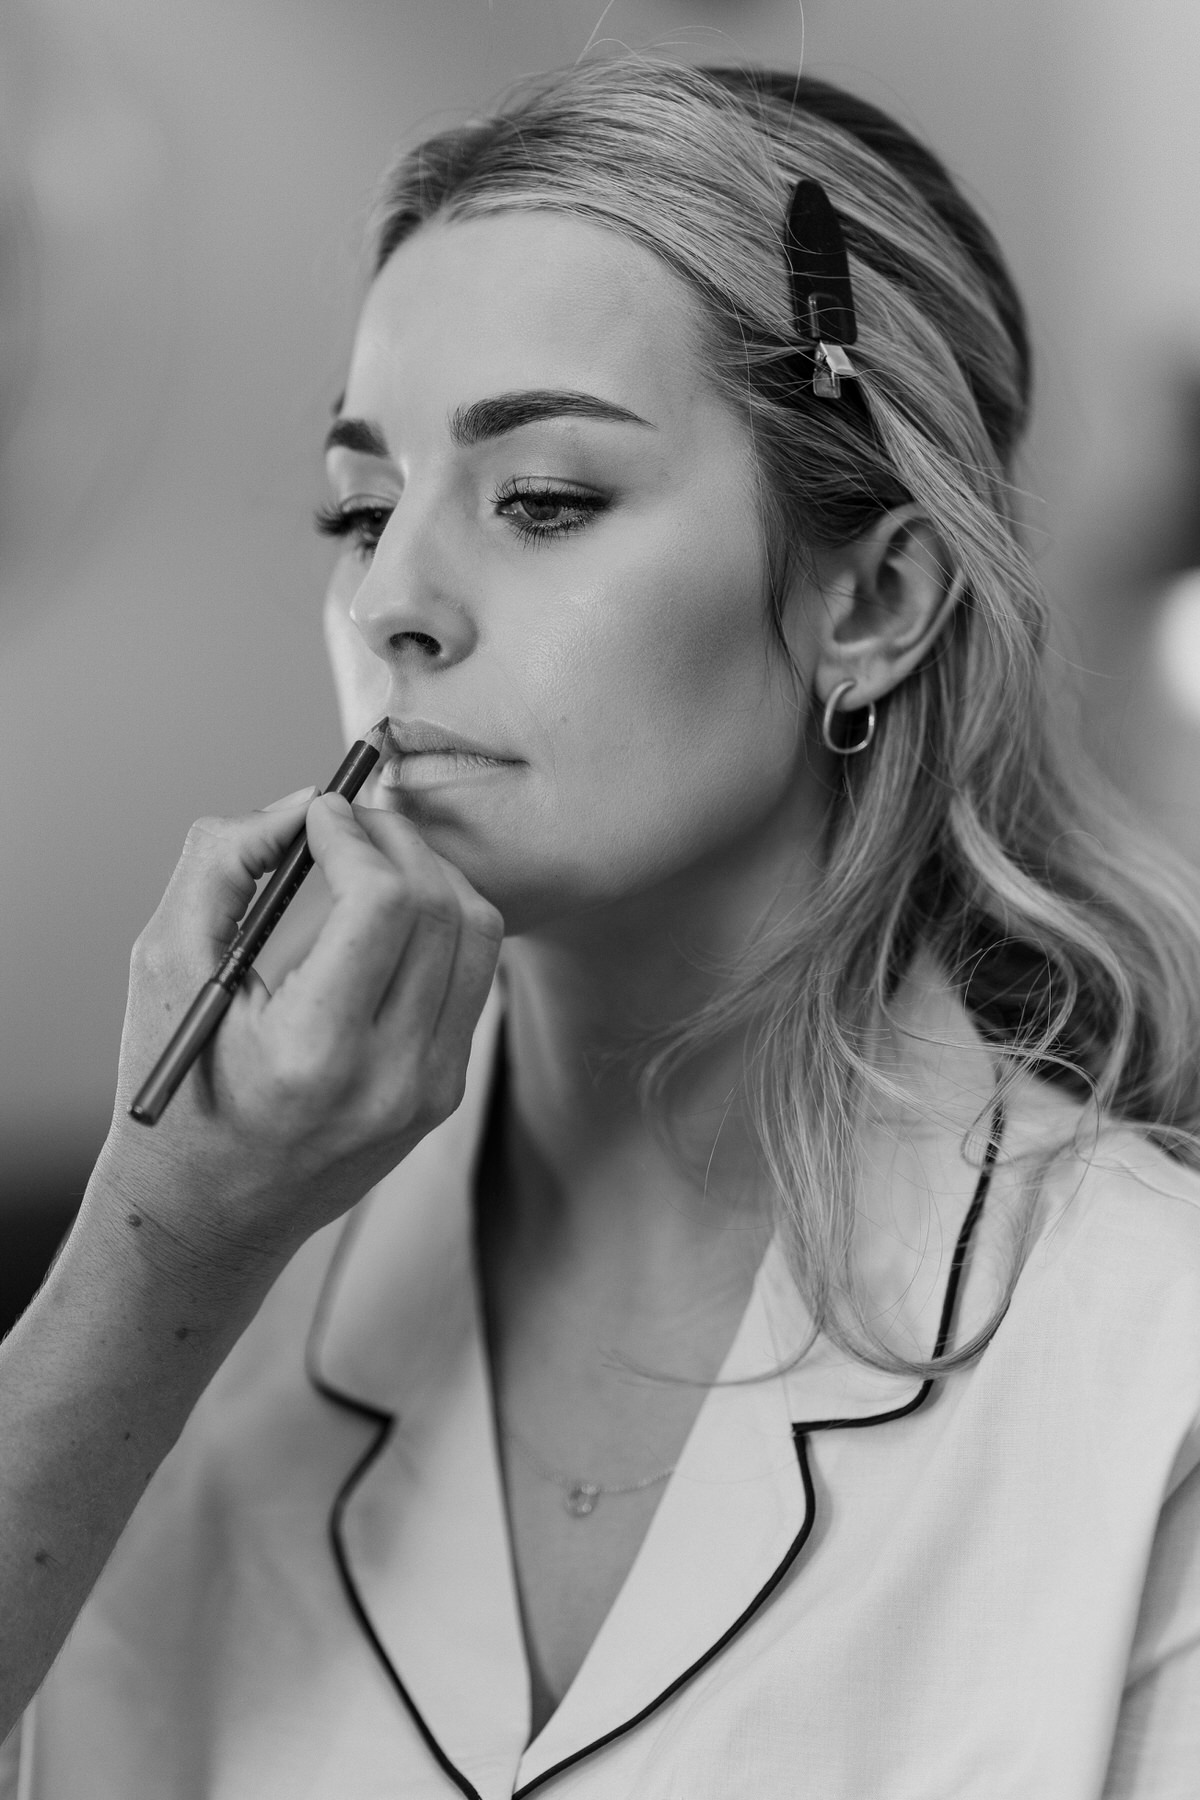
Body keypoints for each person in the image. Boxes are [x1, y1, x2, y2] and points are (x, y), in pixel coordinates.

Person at [2, 57, 1199, 1798]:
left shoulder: (1154, 1357)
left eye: (544, 500)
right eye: (360, 507)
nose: (392, 601)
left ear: (870, 599)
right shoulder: (187, 1305)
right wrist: (154, 1255)